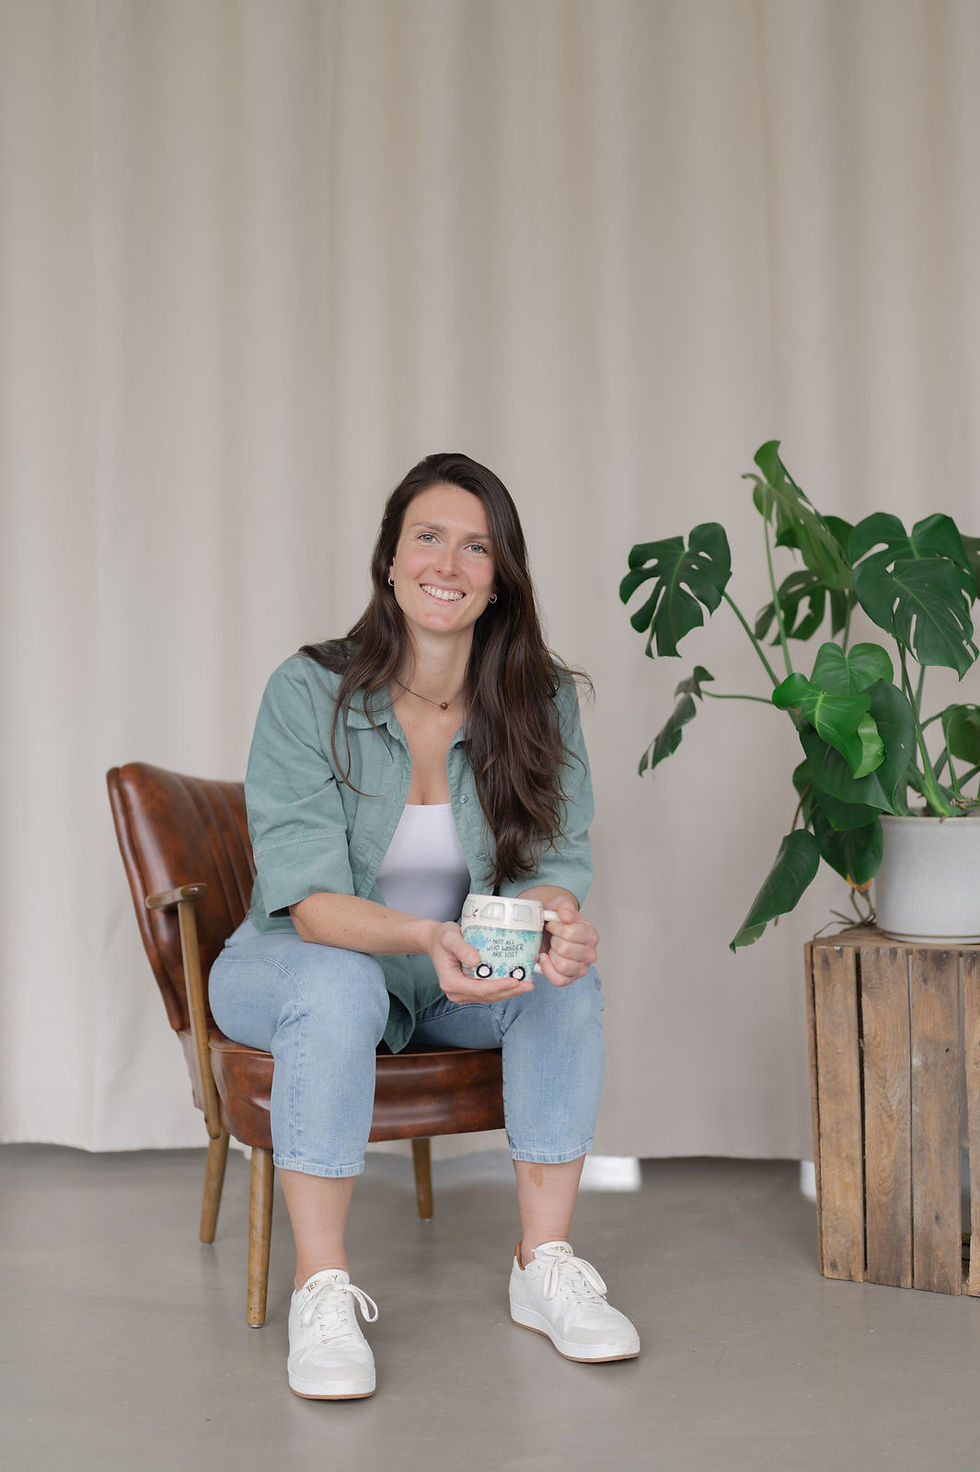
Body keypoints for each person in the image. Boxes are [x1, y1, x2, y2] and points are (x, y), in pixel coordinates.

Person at [209, 451, 640, 1399]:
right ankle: (321, 1291)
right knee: (337, 981)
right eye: (428, 537)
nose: (448, 563)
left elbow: (553, 870)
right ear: (390, 561)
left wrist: (549, 928)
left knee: (567, 982)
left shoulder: (542, 701)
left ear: (501, 579)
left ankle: (545, 1264)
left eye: (476, 546)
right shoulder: (306, 690)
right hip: (293, 961)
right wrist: (425, 938)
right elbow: (311, 901)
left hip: (454, 977)